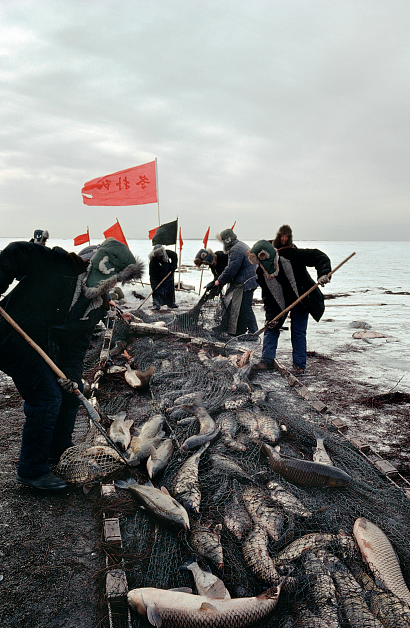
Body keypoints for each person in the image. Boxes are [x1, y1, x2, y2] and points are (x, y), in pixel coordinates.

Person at [0, 238, 144, 490]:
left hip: (44, 346)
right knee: (46, 398)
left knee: (70, 394)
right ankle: (32, 470)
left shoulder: (97, 305)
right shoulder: (58, 264)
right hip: (11, 336)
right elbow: (15, 253)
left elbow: (76, 345)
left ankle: (59, 452)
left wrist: (73, 376)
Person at [248, 239, 331, 375]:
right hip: (280, 302)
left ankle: (299, 366)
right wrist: (271, 317)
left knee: (298, 331)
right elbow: (268, 298)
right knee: (271, 327)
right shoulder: (262, 273)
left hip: (302, 297)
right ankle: (267, 360)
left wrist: (324, 273)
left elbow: (318, 256)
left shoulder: (291, 254)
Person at [209, 228, 258, 336]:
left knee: (246, 307)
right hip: (250, 279)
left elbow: (231, 269)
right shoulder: (240, 245)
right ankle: (240, 330)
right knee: (240, 306)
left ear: (227, 240)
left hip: (246, 281)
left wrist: (219, 281)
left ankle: (254, 333)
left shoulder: (235, 250)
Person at [148, 244, 178, 310]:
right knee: (157, 290)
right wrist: (154, 285)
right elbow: (152, 275)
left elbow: (174, 255)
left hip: (168, 274)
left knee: (170, 289)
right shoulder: (153, 261)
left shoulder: (167, 253)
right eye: (157, 256)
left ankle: (171, 303)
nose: (159, 257)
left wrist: (173, 267)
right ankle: (156, 304)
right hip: (158, 276)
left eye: (160, 255)